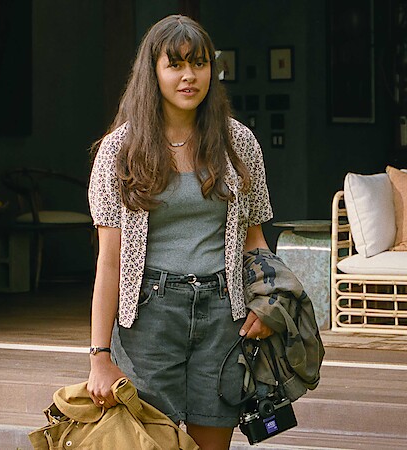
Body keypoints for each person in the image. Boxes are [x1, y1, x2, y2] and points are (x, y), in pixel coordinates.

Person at [86, 15, 275, 450]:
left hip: (224, 313)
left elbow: (255, 239)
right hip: (150, 313)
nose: (189, 76)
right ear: (152, 73)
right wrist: (99, 356)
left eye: (201, 63)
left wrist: (267, 303)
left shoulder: (238, 142)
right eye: (176, 65)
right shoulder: (120, 150)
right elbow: (109, 261)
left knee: (213, 442)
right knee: (154, 442)